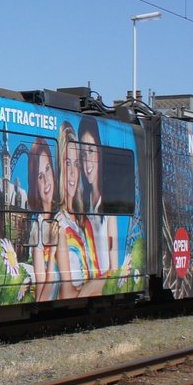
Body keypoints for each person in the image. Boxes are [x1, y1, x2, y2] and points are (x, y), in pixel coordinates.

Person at [54, 122, 102, 299]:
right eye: (67, 163)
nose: (73, 173)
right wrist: (102, 283)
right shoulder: (60, 224)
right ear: (59, 167)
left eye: (76, 164)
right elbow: (66, 292)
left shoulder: (83, 222)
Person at [78, 117, 119, 277]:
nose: (87, 161)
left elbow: (114, 269)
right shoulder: (82, 202)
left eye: (91, 151)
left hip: (100, 284)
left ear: (99, 152)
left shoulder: (108, 207)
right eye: (82, 154)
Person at [26, 137, 60, 301]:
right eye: (40, 176)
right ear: (35, 185)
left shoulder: (62, 214)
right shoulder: (37, 229)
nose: (46, 180)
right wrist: (53, 250)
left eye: (47, 169)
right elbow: (40, 297)